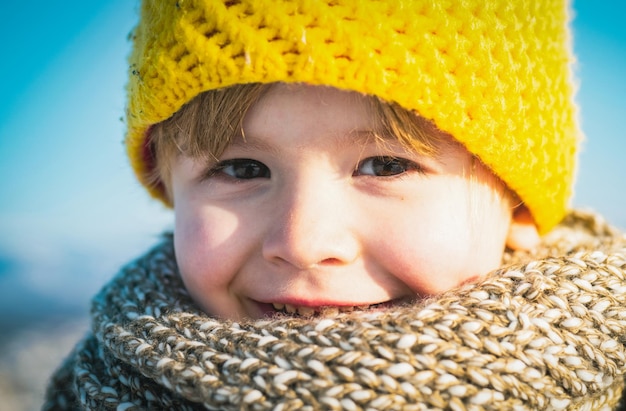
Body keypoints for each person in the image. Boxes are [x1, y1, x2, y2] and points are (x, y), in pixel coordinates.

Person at [44, 1, 626, 410]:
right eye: (242, 169)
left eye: (386, 166)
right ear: (171, 191)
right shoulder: (90, 393)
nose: (303, 242)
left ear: (519, 205)